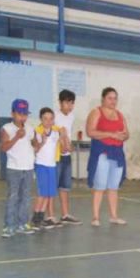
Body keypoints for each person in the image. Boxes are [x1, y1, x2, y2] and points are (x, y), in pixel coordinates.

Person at [85, 87, 129, 226]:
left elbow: (127, 133)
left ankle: (114, 216)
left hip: (117, 153)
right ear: (103, 99)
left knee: (113, 187)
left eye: (115, 98)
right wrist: (110, 134)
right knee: (100, 186)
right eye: (110, 98)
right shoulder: (96, 112)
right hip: (102, 152)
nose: (113, 101)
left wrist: (122, 136)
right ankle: (95, 217)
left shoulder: (120, 115)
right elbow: (90, 132)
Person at [0, 98, 36, 237]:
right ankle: (9, 225)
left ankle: (22, 223)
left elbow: (34, 144)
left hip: (28, 168)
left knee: (26, 197)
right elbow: (3, 148)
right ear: (12, 113)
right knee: (13, 197)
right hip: (14, 168)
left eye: (25, 114)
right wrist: (16, 137)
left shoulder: (30, 128)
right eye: (19, 113)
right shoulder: (7, 129)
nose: (22, 116)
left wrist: (40, 143)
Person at [32, 107, 68, 230]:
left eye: (51, 118)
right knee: (42, 193)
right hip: (41, 165)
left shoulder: (56, 132)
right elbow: (36, 149)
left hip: (52, 165)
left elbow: (64, 149)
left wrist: (63, 137)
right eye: (45, 119)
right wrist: (42, 141)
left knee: (49, 194)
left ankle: (41, 218)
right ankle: (35, 218)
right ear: (41, 119)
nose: (48, 121)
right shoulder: (38, 131)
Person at [49, 89, 80, 225]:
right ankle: (50, 216)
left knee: (64, 187)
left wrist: (69, 146)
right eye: (66, 102)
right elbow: (52, 135)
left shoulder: (72, 116)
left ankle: (65, 214)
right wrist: (60, 147)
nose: (69, 106)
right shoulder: (54, 116)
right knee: (52, 187)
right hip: (55, 157)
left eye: (71, 103)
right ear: (60, 103)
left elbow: (68, 135)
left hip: (66, 156)